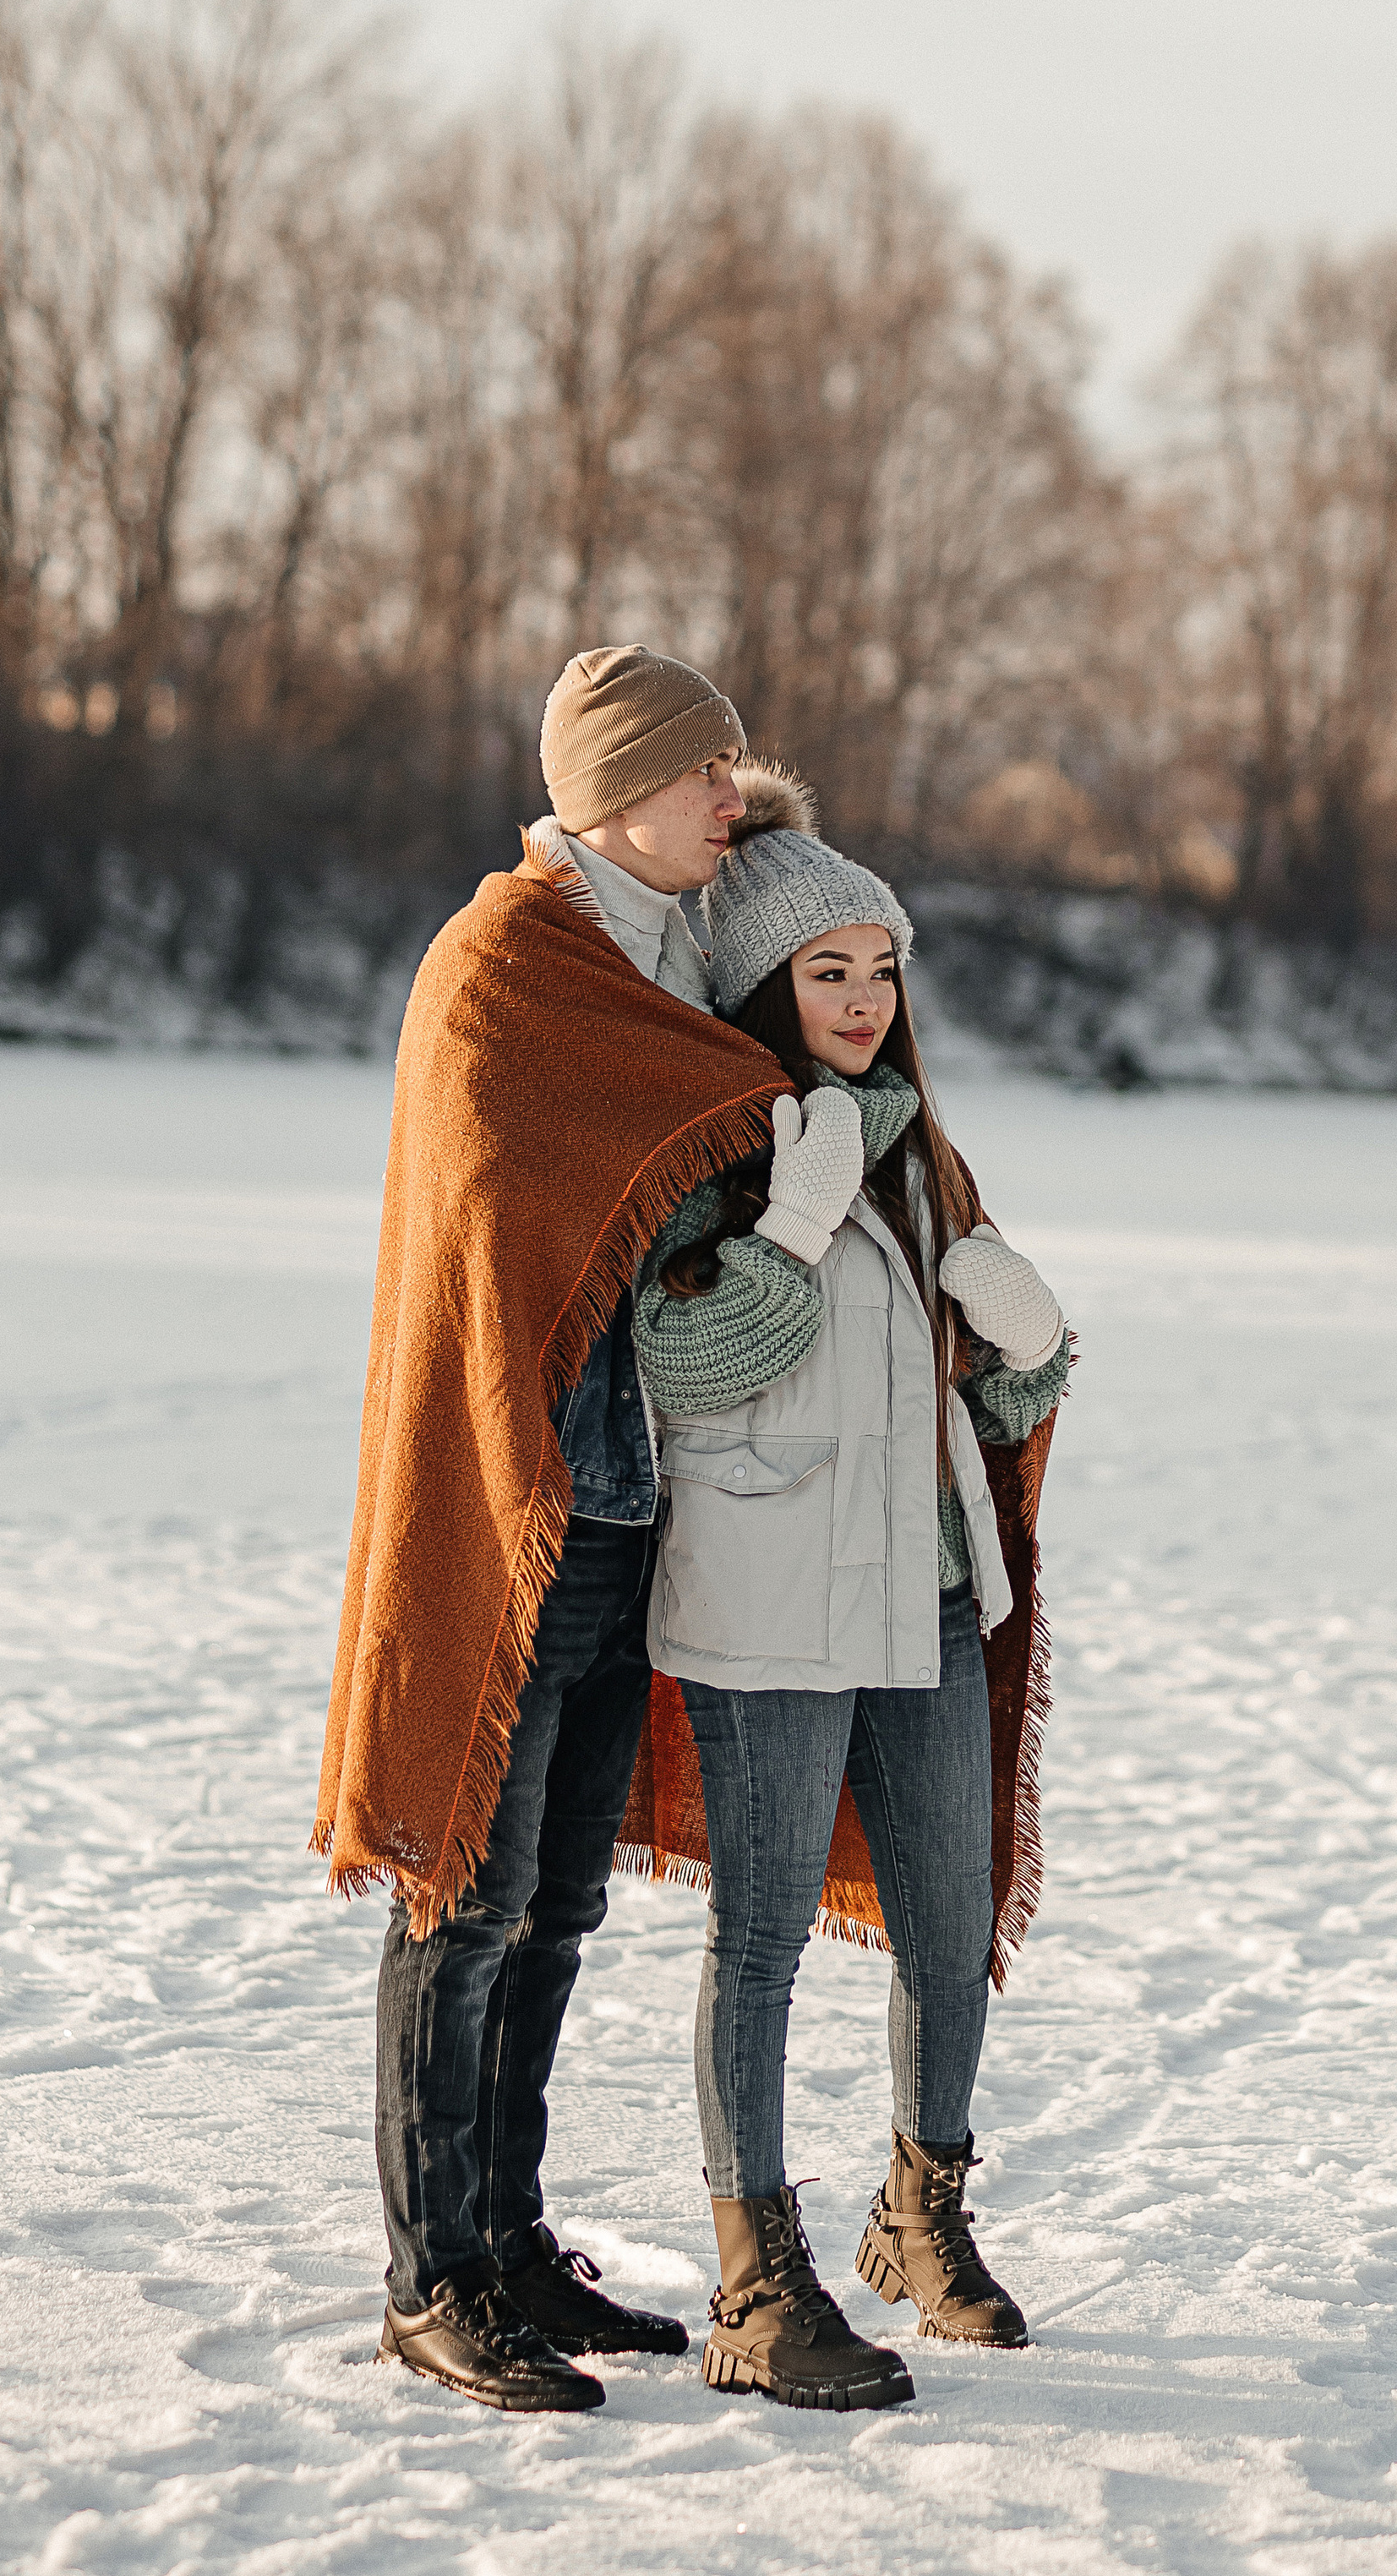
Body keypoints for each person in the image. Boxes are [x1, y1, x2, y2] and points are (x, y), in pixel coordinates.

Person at [313, 645, 791, 2415]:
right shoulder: (503, 963)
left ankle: (509, 2246)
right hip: (503, 1500)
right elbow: (520, 1201)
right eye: (701, 774)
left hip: (626, 1501)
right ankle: (428, 2278)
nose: (727, 798)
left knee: (560, 1901)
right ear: (608, 790)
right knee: (467, 1887)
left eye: (734, 769)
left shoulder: (677, 958)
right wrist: (747, 1131)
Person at [630, 767, 1072, 2410]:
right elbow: (681, 1364)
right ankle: (756, 2279)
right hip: (764, 1603)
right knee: (758, 1947)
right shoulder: (705, 1149)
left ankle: (920, 2218)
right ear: (760, 985)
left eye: (879, 968)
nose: (863, 999)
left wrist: (1028, 1346)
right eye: (828, 970)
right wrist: (791, 1218)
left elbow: (975, 1400)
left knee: (946, 1933)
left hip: (927, 1601)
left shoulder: (915, 1159)